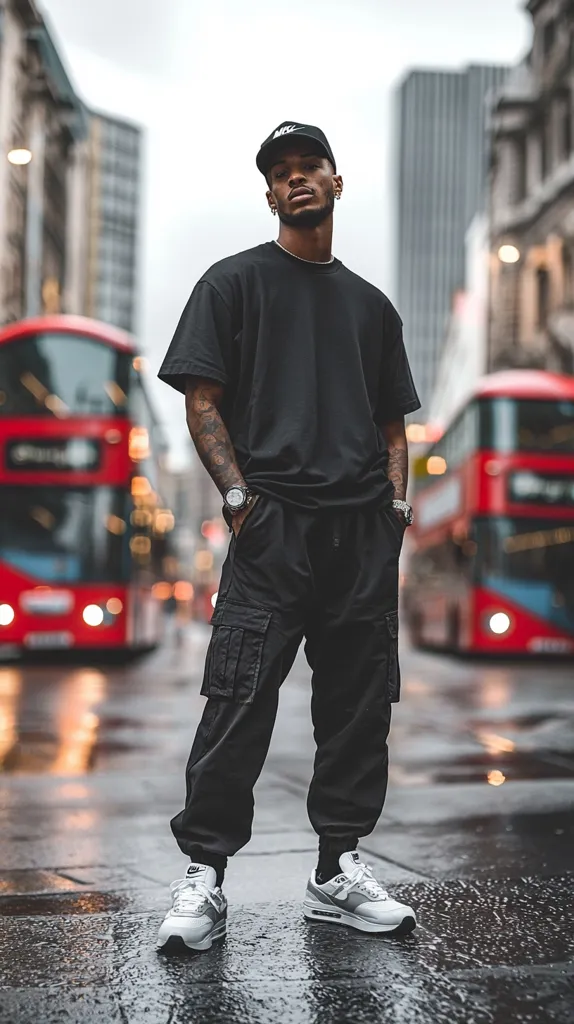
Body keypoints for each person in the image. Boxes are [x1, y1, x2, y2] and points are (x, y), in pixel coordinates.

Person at [156, 121, 421, 952]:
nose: (297, 179)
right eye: (281, 171)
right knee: (237, 700)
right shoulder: (231, 284)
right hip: (273, 530)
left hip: (360, 536)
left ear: (337, 183)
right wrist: (240, 502)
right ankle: (205, 874)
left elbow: (394, 430)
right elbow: (202, 401)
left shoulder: (372, 307)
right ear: (268, 194)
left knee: (356, 711)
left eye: (311, 166)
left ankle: (337, 869)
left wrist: (395, 519)